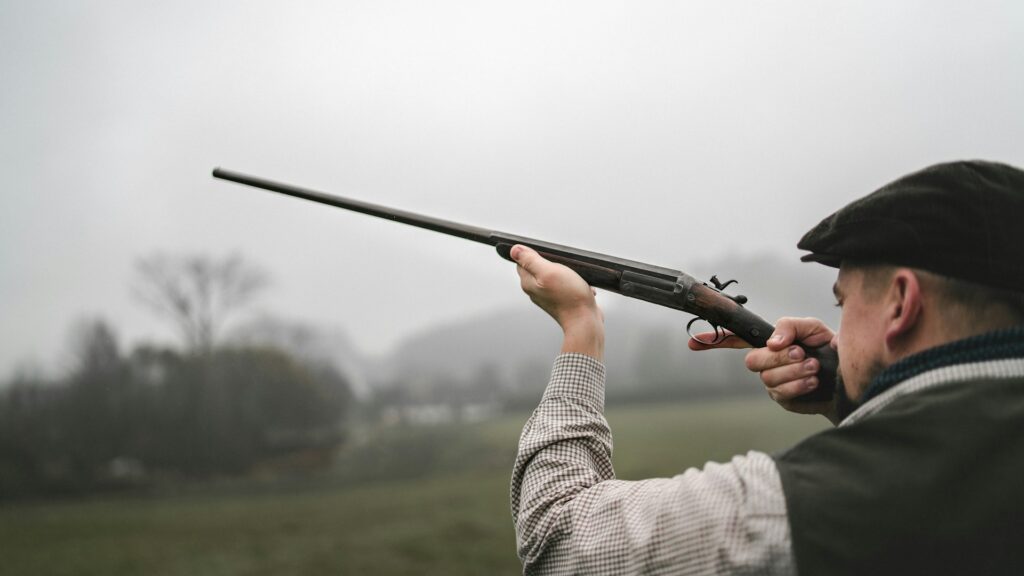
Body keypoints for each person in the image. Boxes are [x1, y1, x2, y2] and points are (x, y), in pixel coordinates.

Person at [508, 160, 1024, 576]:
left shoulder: (802, 504)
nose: (836, 328)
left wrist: (581, 326)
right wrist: (841, 396)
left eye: (842, 304)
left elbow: (556, 537)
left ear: (901, 303)